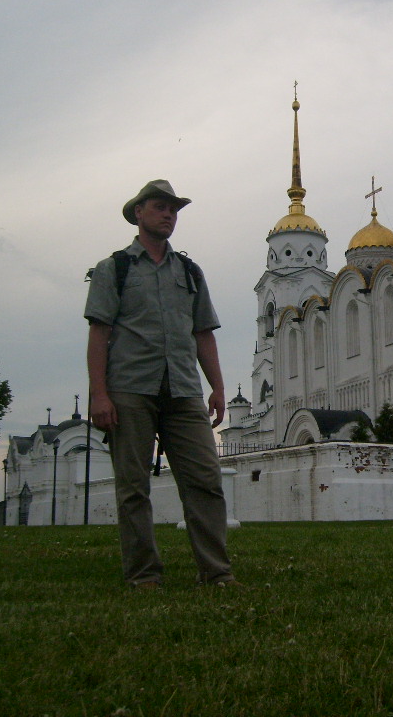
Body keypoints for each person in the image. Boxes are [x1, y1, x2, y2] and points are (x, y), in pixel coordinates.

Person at [85, 180, 238, 589]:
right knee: (133, 489)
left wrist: (218, 387)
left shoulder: (189, 271)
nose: (168, 214)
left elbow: (204, 332)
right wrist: (99, 395)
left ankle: (217, 573)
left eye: (173, 209)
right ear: (139, 213)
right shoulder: (114, 268)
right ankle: (144, 575)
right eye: (159, 207)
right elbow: (99, 333)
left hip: (184, 391)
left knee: (205, 481)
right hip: (130, 390)